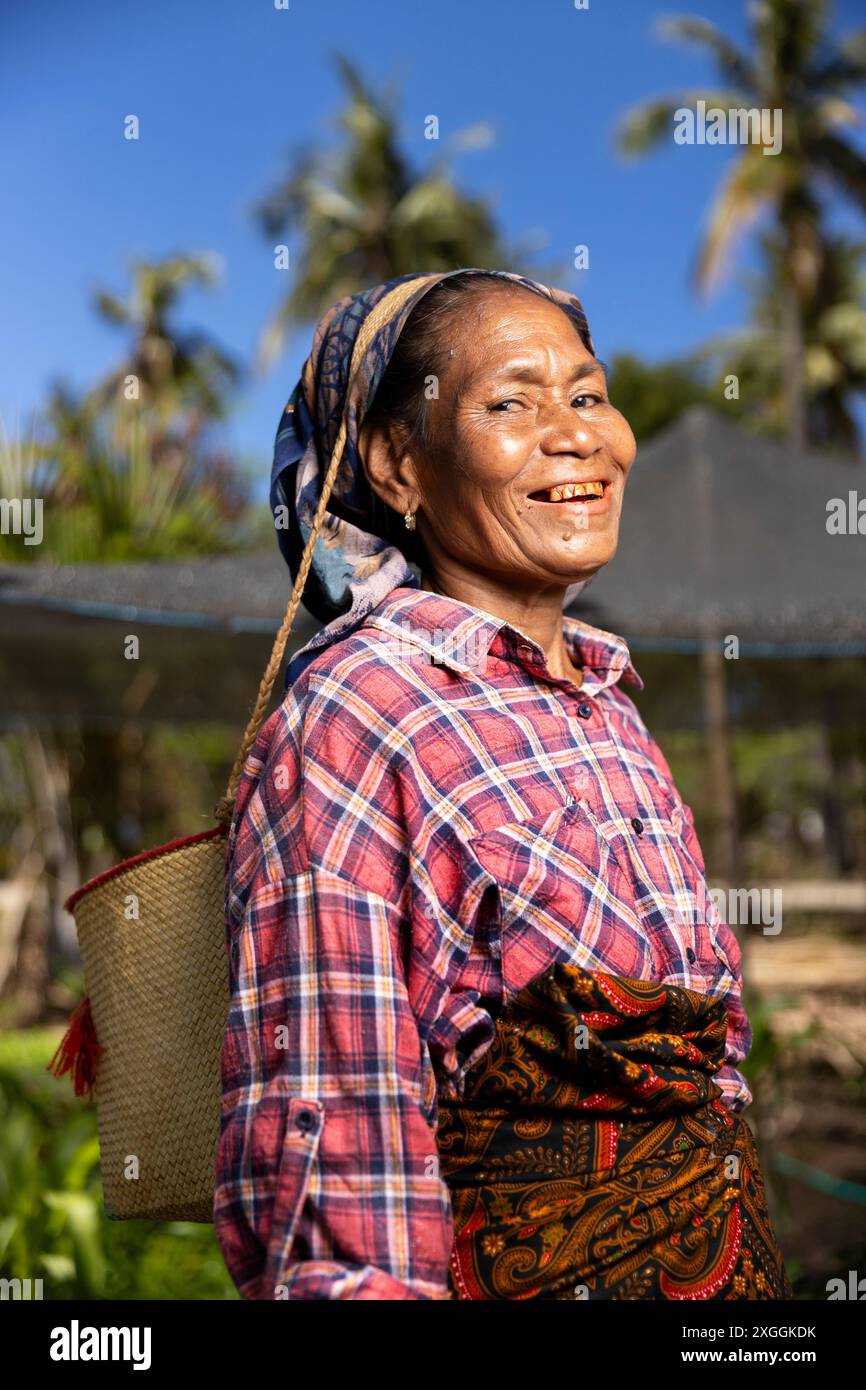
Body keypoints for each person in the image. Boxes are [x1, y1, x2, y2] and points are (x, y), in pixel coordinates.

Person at [213, 268, 792, 1301]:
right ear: (397, 465)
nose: (576, 435)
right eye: (510, 403)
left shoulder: (609, 702)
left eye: (585, 394)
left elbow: (710, 1068)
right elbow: (338, 1132)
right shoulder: (356, 714)